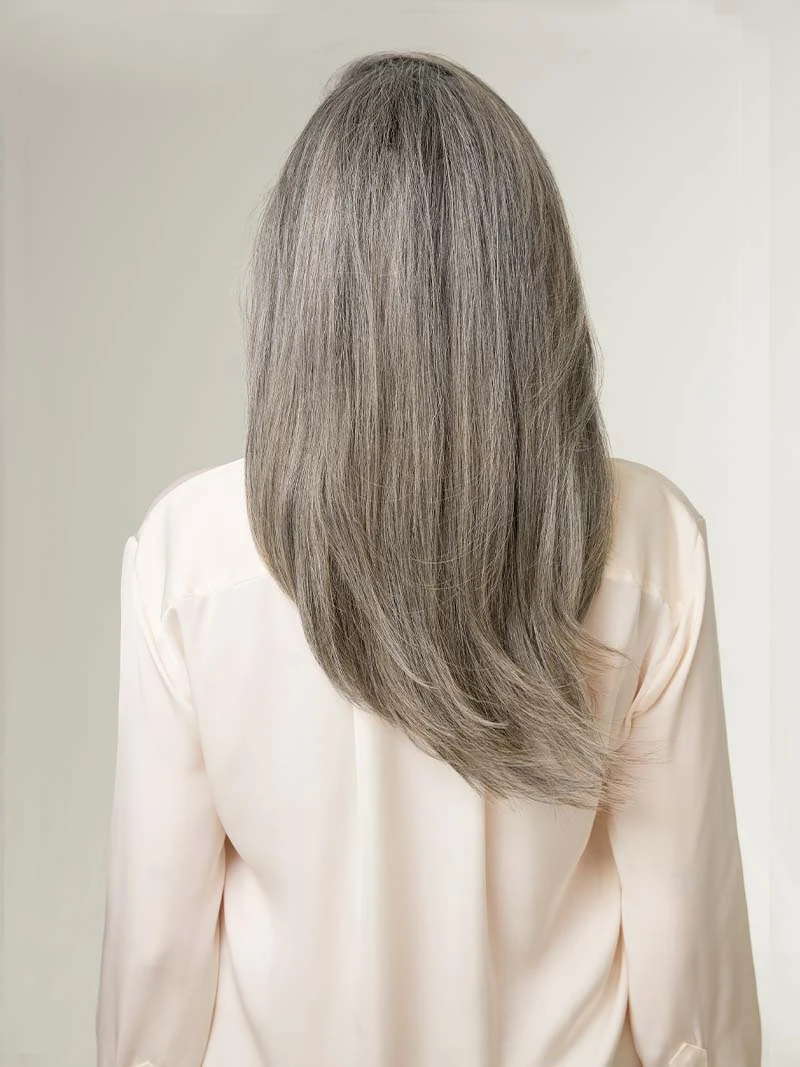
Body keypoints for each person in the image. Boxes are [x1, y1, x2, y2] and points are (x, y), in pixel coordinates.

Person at [95, 50, 761, 1067]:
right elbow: (690, 968)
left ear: (300, 289)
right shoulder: (648, 541)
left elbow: (156, 968)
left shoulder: (190, 556)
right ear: (531, 281)